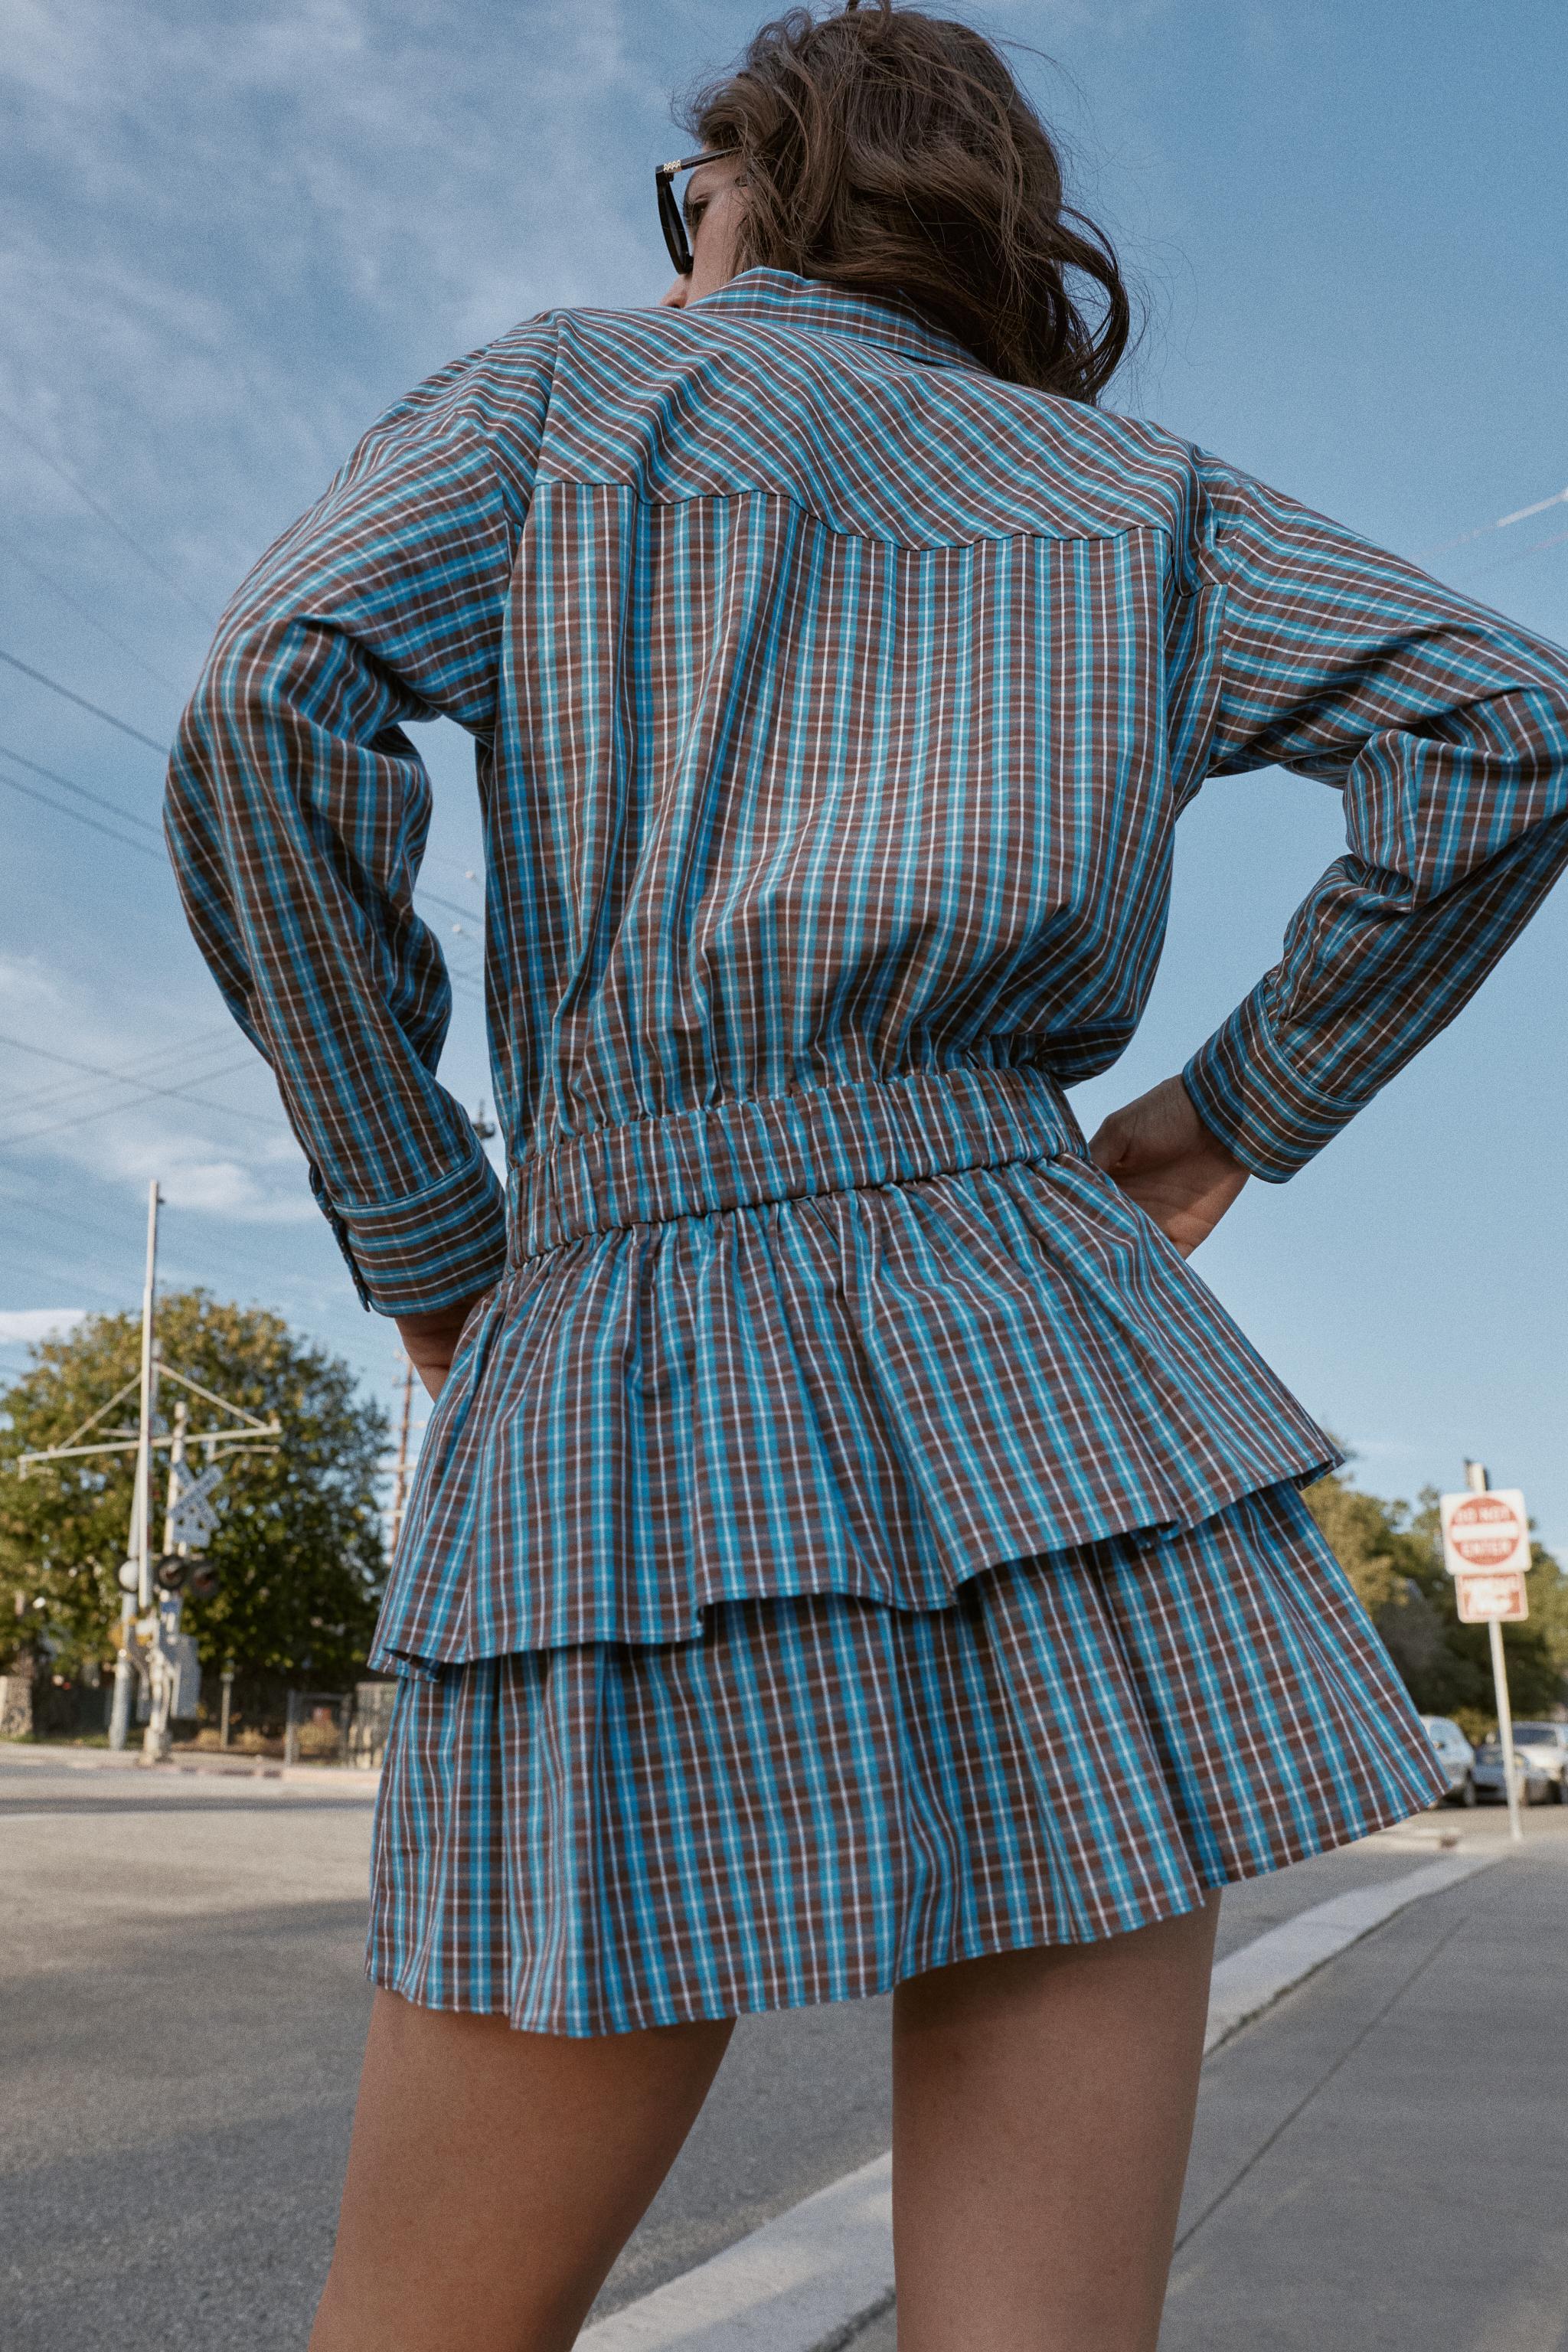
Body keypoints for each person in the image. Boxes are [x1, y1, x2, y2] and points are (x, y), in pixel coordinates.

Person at [164, 5, 1568, 2346]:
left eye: (690, 200)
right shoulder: (1137, 496)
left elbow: (260, 705)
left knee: (429, 2327)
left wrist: (429, 1234)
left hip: (632, 1345)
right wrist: (1224, 1114)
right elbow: (1506, 729)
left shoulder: (564, 396)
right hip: (1053, 1346)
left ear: (750, 181)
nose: (679, 250)